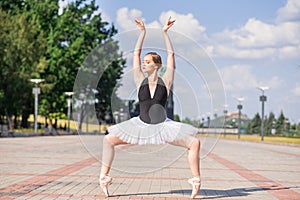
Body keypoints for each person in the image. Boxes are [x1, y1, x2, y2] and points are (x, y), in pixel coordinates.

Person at [99, 17, 201, 199]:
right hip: (141, 125)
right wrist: (142, 33)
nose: (144, 63)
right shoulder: (140, 80)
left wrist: (164, 33)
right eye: (144, 61)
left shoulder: (166, 80)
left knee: (195, 143)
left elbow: (171, 56)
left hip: (163, 126)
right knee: (108, 140)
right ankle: (103, 178)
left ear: (157, 65)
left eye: (148, 61)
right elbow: (135, 54)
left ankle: (196, 180)